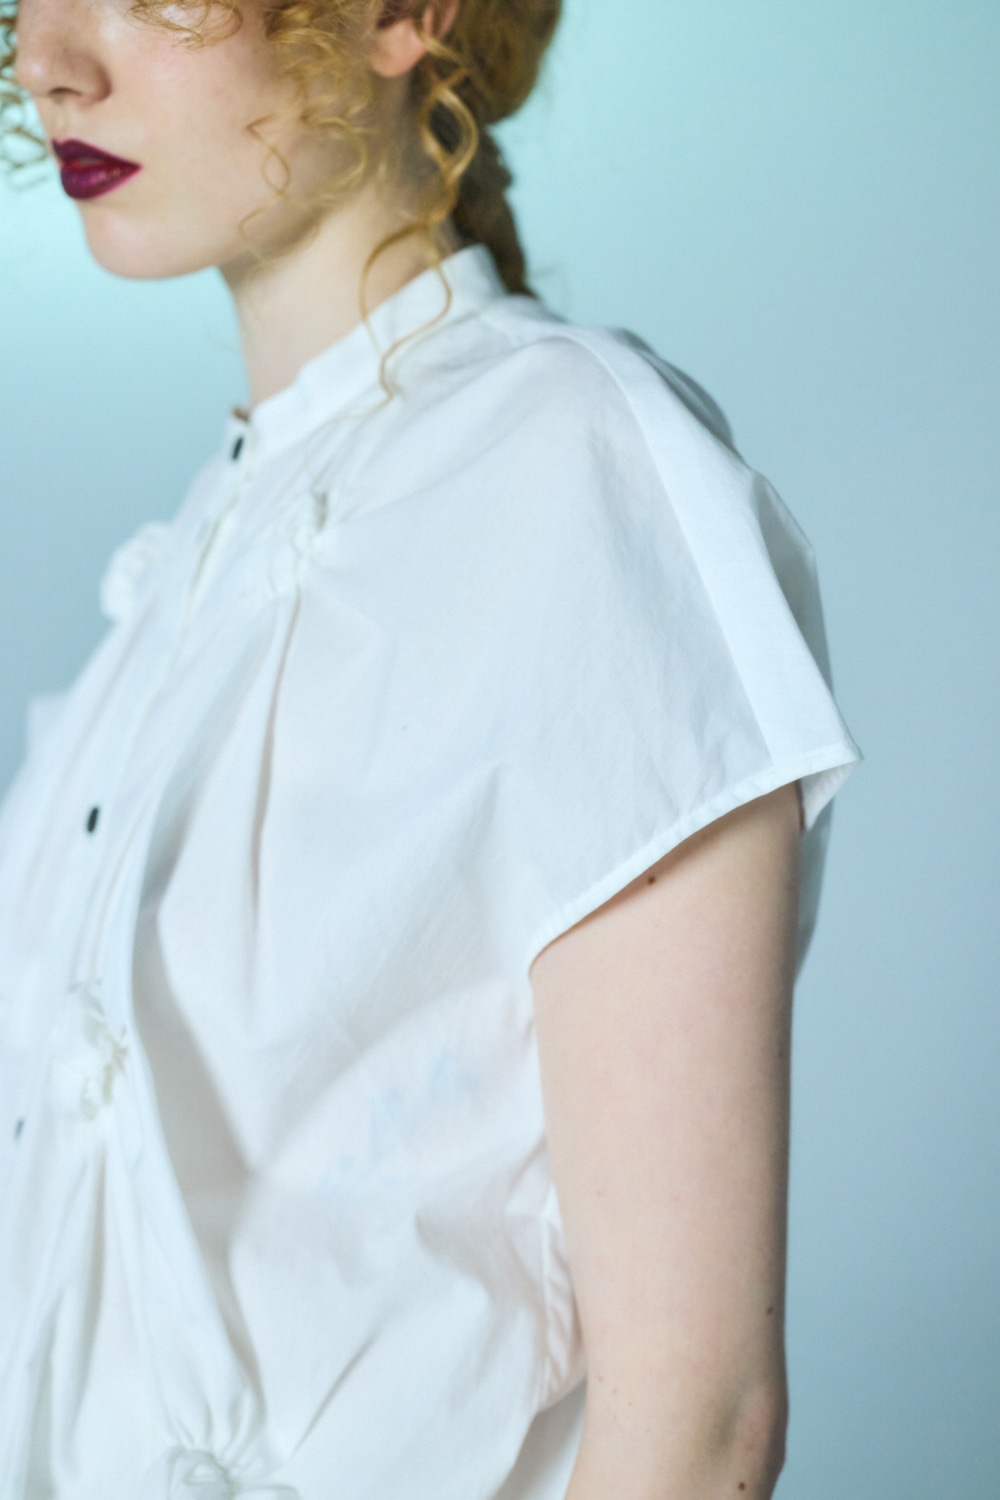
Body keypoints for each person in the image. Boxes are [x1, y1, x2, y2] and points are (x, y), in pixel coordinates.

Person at [0, 0, 860, 1496]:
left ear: (404, 13)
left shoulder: (578, 475)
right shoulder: (190, 564)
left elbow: (699, 1420)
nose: (50, 63)